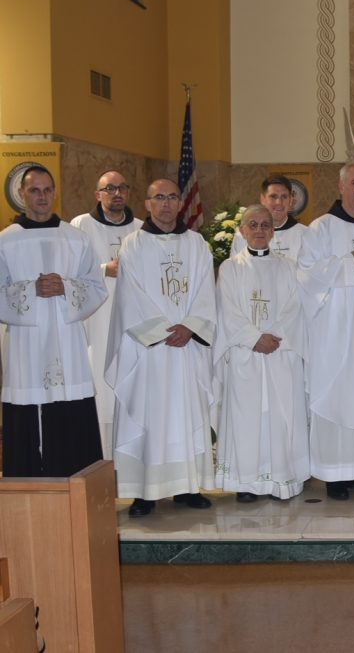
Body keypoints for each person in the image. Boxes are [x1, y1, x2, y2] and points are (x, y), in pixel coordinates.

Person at [106, 178, 217, 516]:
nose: (166, 204)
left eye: (172, 197)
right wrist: (162, 331)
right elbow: (130, 296)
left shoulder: (197, 244)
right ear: (147, 204)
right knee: (149, 416)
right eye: (159, 198)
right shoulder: (133, 245)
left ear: (181, 203)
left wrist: (190, 326)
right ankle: (146, 492)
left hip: (188, 348)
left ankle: (187, 487)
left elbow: (206, 291)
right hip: (150, 351)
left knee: (187, 413)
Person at [0, 166, 107, 477]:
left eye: (47, 190)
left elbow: (96, 286)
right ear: (22, 194)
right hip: (25, 344)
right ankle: (29, 488)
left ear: (55, 193)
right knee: (26, 413)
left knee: (70, 412)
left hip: (67, 341)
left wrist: (67, 287)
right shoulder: (6, 241)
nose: (42, 197)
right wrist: (29, 289)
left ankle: (76, 486)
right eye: (35, 190)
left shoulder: (76, 238)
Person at [297, 162, 354, 500]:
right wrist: (346, 264)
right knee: (337, 393)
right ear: (341, 186)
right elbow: (304, 275)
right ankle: (335, 474)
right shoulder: (321, 228)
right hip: (334, 332)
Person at [214, 204, 309, 501]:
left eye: (265, 225)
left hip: (280, 353)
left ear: (273, 231)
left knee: (279, 416)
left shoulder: (288, 267)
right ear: (242, 231)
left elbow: (295, 308)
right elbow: (226, 310)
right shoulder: (230, 269)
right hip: (245, 355)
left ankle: (281, 478)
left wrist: (272, 337)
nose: (259, 230)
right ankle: (247, 483)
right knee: (247, 418)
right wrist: (254, 338)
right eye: (253, 225)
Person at [70, 170, 143, 458]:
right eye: (110, 188)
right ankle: (100, 460)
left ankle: (131, 457)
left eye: (122, 188)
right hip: (97, 321)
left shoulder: (141, 229)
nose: (117, 193)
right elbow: (70, 272)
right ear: (97, 194)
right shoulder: (81, 226)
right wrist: (104, 270)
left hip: (132, 321)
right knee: (101, 386)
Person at [230, 175, 307, 261]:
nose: (279, 202)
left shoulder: (305, 235)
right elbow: (235, 267)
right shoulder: (244, 235)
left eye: (284, 197)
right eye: (273, 196)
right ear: (262, 199)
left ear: (290, 200)